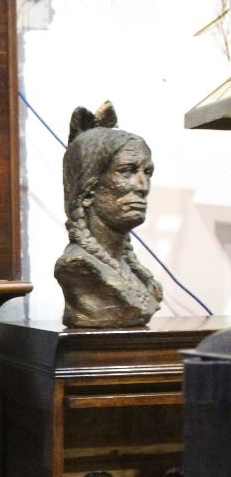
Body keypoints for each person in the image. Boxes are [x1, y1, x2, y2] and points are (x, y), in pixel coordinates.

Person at [54, 103, 162, 328]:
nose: (142, 186)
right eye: (127, 171)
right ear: (88, 190)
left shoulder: (135, 273)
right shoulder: (77, 266)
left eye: (147, 172)